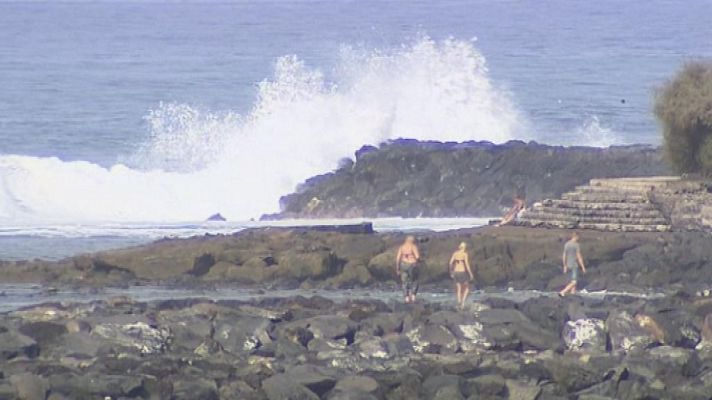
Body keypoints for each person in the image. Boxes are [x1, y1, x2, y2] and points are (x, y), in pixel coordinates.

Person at [559, 232, 586, 297]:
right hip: (574, 265)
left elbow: (564, 255)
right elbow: (579, 256)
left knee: (572, 280)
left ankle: (572, 294)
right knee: (574, 282)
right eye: (578, 237)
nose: (579, 239)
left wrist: (564, 265)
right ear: (576, 237)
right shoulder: (576, 245)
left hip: (568, 264)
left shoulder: (567, 244)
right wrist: (583, 267)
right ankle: (563, 292)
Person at [449, 242, 475, 309]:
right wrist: (470, 274)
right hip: (462, 272)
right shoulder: (464, 254)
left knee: (459, 288)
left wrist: (451, 272)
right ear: (464, 247)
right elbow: (467, 265)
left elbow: (450, 263)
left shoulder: (455, 253)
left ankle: (459, 302)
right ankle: (463, 303)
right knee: (467, 288)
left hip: (455, 272)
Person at [396, 235, 420, 303]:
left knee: (404, 282)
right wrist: (419, 262)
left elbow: (398, 259)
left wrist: (397, 268)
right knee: (415, 280)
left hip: (403, 264)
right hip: (412, 264)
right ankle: (413, 296)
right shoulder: (413, 246)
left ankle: (406, 297)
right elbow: (417, 257)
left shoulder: (402, 247)